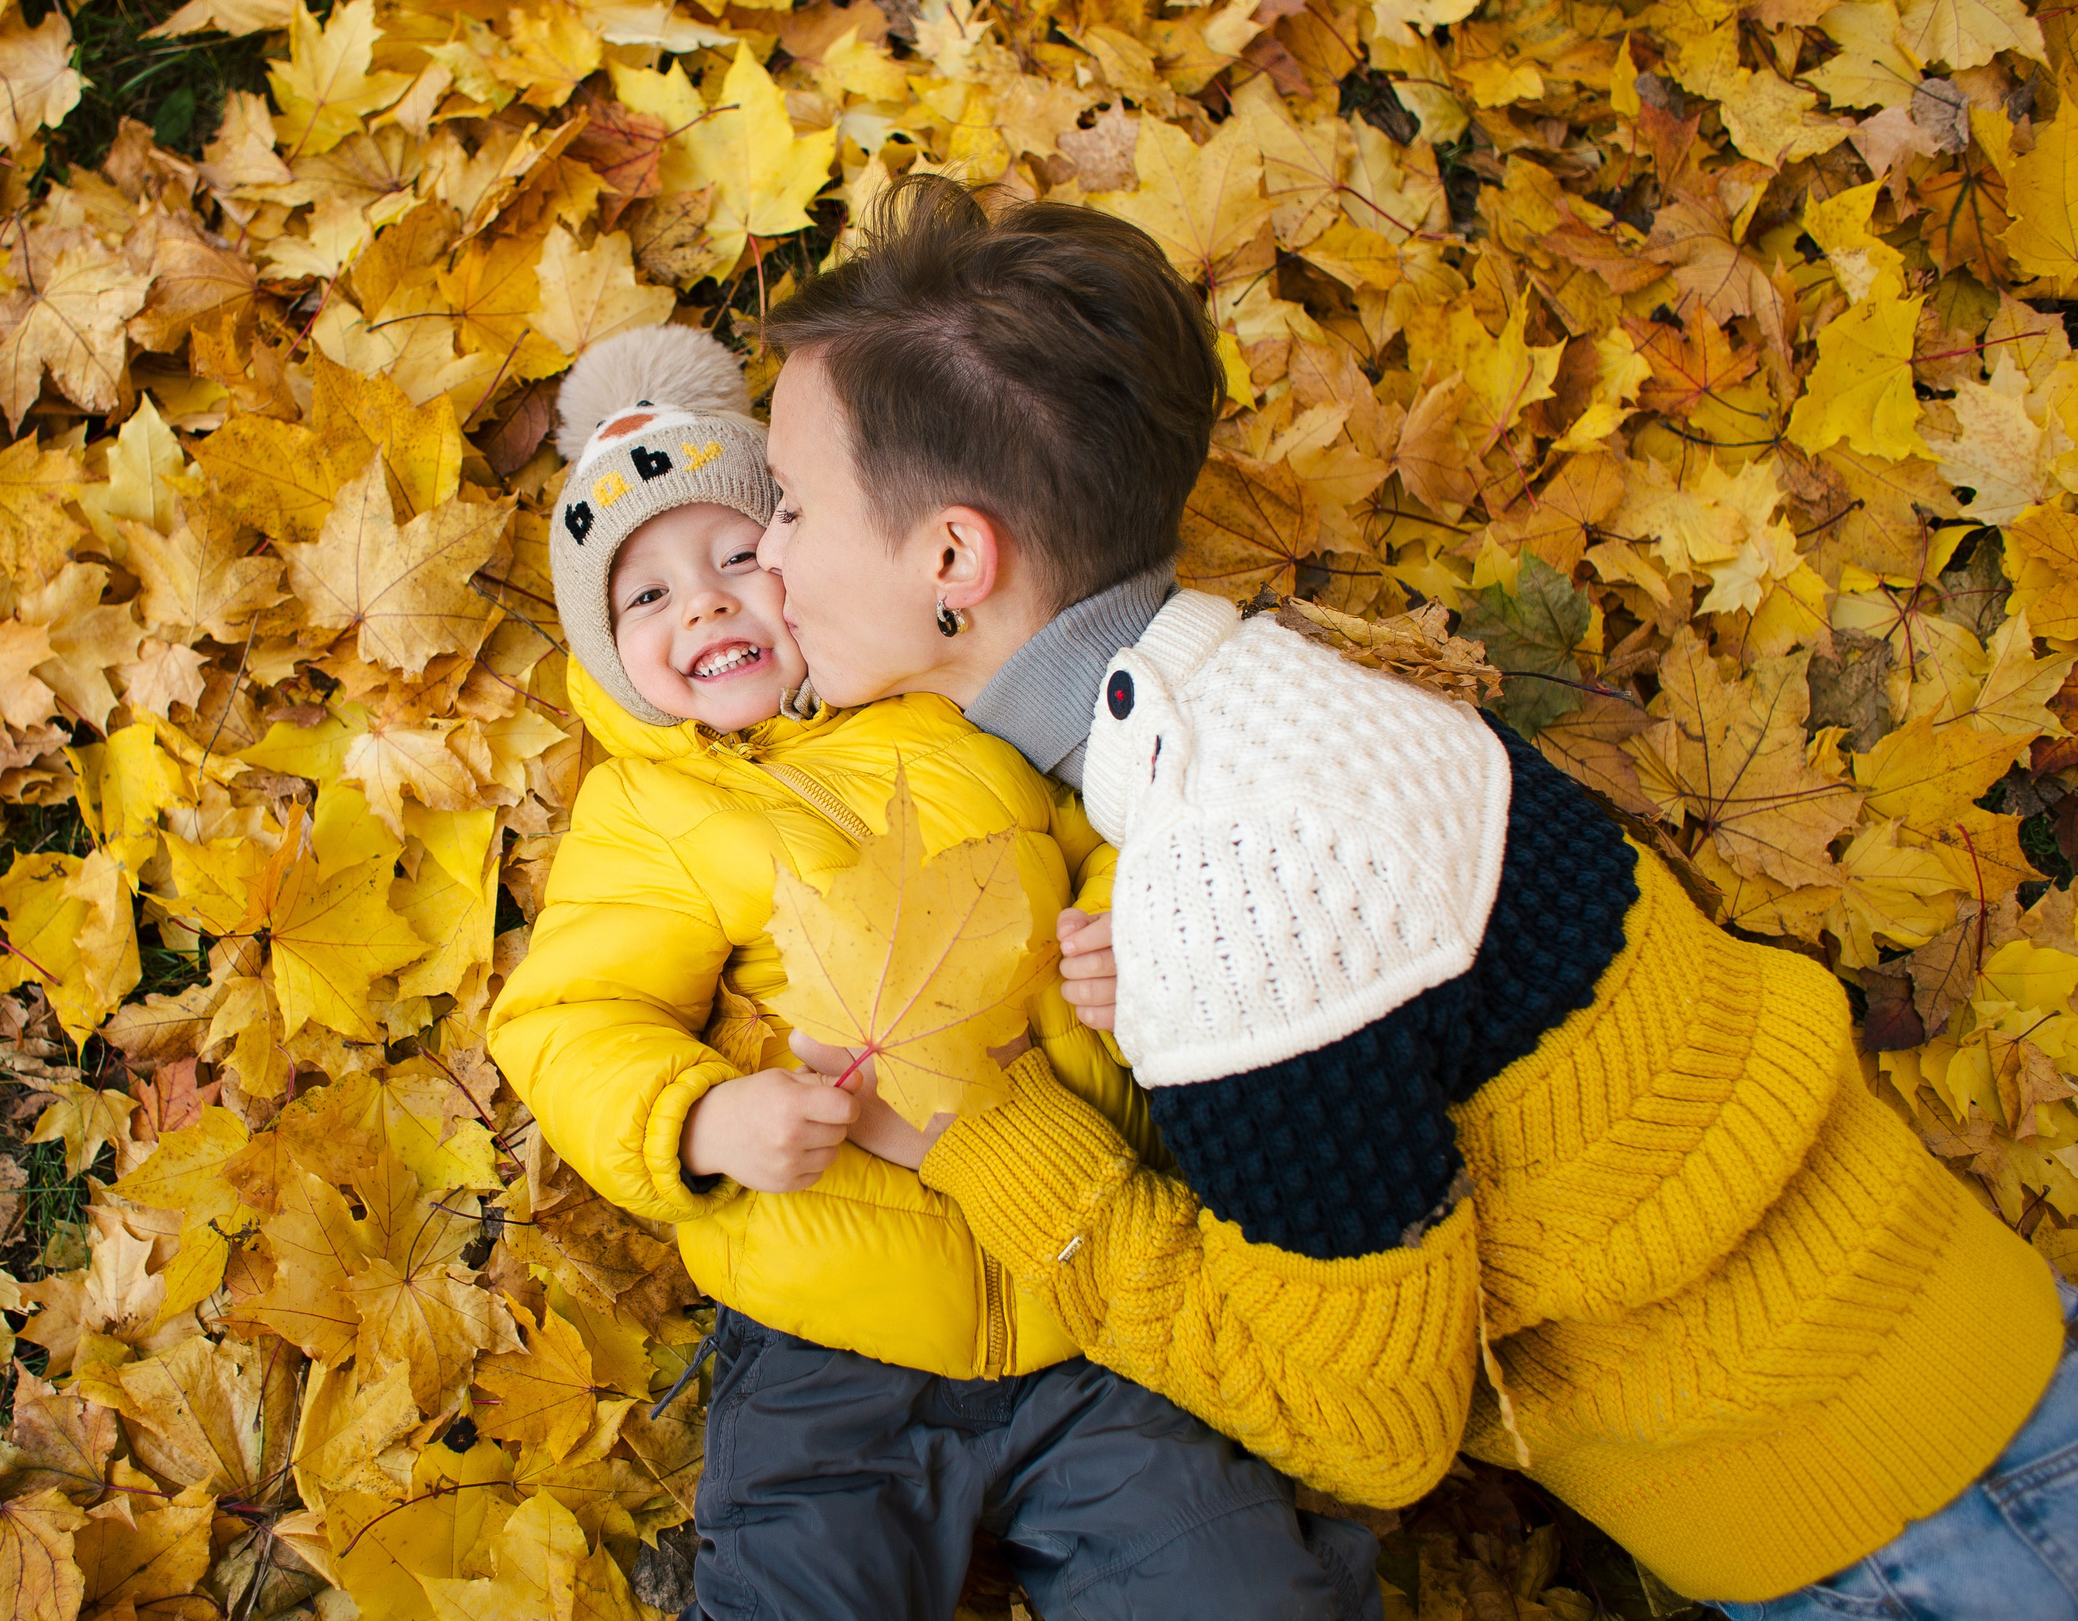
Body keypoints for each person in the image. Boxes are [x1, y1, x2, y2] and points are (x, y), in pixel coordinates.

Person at [754, 173, 2077, 1620]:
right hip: (1971, 1361)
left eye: (794, 505)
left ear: (953, 557)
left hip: (1909, 1525)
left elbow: (1368, 1433)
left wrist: (995, 1139)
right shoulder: (1293, 698)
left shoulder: (1232, 874)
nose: (765, 553)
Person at [485, 324, 1380, 1621]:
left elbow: (1100, 829)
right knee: (800, 1593)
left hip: (1083, 1283)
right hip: (829, 1331)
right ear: (610, 662)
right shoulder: (649, 818)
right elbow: (573, 1015)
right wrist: (700, 1119)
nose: (708, 606)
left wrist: (1124, 925)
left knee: (1226, 1582)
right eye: (648, 597)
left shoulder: (947, 712)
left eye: (737, 555)